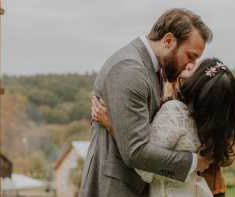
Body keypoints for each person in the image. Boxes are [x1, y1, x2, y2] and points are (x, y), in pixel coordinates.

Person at [79, 8, 213, 197]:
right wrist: (193, 162)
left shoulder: (153, 69)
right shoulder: (130, 70)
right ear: (168, 41)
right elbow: (136, 151)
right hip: (115, 188)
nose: (190, 64)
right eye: (190, 56)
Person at [92, 58, 235, 197]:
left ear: (198, 82)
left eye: (195, 67)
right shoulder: (212, 124)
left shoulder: (175, 112)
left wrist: (114, 127)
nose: (189, 64)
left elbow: (144, 168)